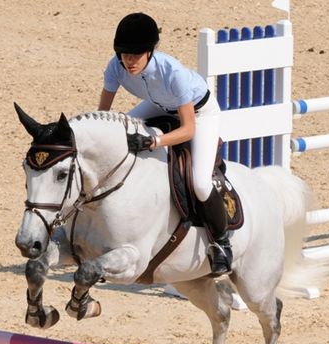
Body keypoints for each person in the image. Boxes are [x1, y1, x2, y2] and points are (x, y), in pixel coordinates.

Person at [98, 12, 232, 277]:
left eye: (135, 55)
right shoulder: (115, 67)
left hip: (200, 113)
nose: (129, 61)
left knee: (200, 184)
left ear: (149, 51)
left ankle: (222, 244)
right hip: (158, 104)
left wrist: (154, 141)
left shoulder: (173, 73)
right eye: (124, 54)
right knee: (118, 129)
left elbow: (187, 129)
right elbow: (104, 115)